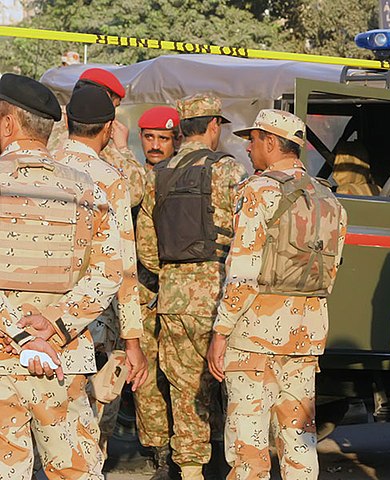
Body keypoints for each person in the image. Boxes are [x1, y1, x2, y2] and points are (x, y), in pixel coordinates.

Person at [207, 109, 347, 479]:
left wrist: (220, 332)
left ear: (271, 142)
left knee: (249, 447)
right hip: (306, 336)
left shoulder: (257, 191)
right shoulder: (329, 198)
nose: (247, 148)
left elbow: (243, 272)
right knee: (300, 441)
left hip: (255, 337)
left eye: (252, 140)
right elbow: (331, 270)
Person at [0, 73, 123, 479]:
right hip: (63, 359)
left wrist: (21, 337)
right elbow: (110, 271)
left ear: (8, 124)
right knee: (76, 471)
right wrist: (54, 326)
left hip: (4, 357)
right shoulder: (87, 189)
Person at [137, 93, 247, 480]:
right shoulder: (229, 170)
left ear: (181, 129)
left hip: (173, 297)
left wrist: (174, 273)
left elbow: (146, 248)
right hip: (220, 295)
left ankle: (190, 471)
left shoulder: (158, 174)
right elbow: (248, 236)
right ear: (214, 126)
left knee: (184, 390)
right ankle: (234, 463)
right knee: (232, 384)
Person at [51, 84, 148, 453]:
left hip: (37, 319)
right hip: (93, 327)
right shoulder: (108, 178)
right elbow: (123, 266)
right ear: (108, 128)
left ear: (68, 123)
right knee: (88, 436)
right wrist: (133, 341)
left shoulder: (44, 165)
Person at [134, 105, 181, 479]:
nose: (155, 145)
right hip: (143, 294)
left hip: (181, 292)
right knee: (146, 378)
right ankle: (161, 454)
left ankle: (190, 453)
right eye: (149, 137)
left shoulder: (186, 180)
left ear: (176, 140)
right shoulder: (135, 180)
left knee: (185, 378)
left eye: (163, 138)